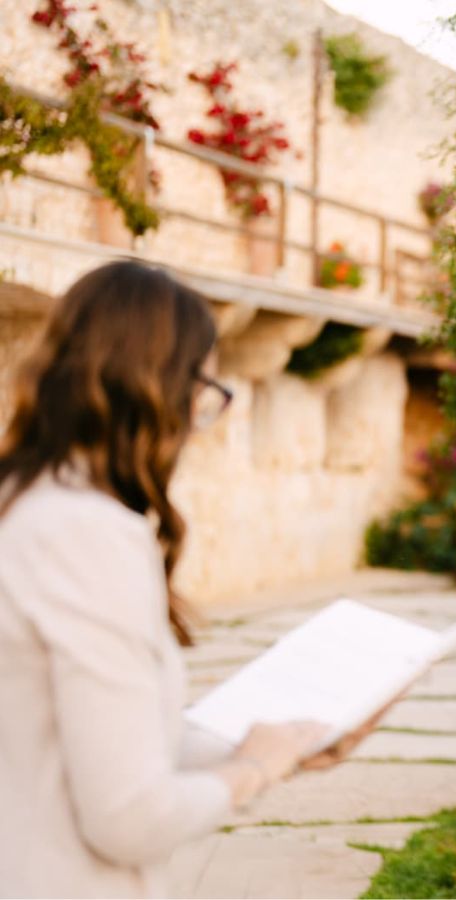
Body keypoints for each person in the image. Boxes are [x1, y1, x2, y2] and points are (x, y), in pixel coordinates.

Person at [0, 260, 330, 898]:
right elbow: (129, 818)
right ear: (162, 390)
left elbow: (84, 740)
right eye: (205, 393)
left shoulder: (20, 504)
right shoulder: (88, 536)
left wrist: (274, 746)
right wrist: (253, 771)